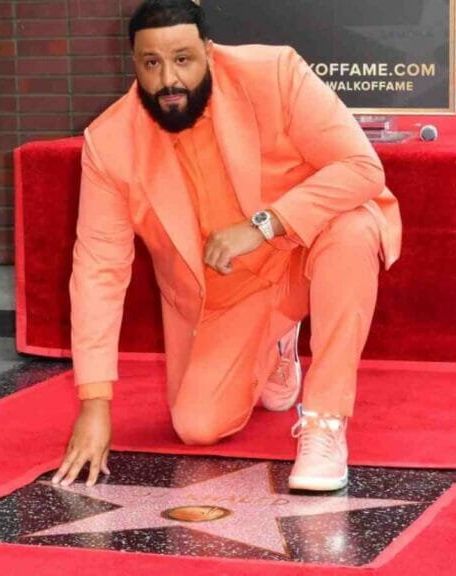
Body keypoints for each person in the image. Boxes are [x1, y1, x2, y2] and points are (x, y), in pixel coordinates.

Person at [52, 0, 402, 492]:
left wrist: (263, 224)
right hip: (224, 295)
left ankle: (325, 421)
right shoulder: (109, 142)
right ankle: (277, 343)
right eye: (151, 63)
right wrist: (94, 403)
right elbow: (98, 269)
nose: (169, 79)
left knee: (353, 229)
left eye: (183, 59)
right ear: (133, 64)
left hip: (302, 247)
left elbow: (362, 168)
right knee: (196, 427)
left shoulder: (274, 73)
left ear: (209, 54)